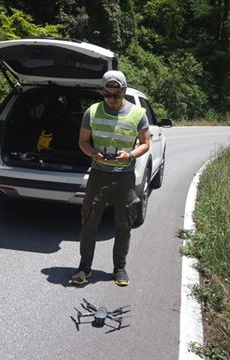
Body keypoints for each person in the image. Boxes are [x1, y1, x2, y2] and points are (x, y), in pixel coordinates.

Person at [70, 70, 151, 287]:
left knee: (124, 223)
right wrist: (93, 153)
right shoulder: (92, 111)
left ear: (124, 91)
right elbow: (83, 142)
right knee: (89, 221)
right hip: (98, 174)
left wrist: (131, 154)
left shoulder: (138, 113)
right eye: (108, 94)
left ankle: (119, 268)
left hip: (124, 176)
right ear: (103, 91)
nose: (112, 99)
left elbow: (145, 143)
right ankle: (84, 268)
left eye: (116, 95)